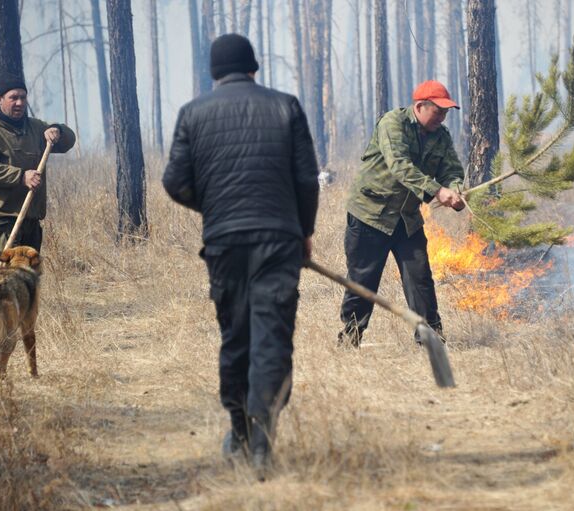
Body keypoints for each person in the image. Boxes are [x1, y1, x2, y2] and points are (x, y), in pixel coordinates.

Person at [162, 34, 319, 478]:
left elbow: (175, 182)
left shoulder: (192, 113)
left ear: (214, 73)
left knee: (236, 336)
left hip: (225, 243)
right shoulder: (286, 105)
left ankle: (239, 432)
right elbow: (307, 179)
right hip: (279, 240)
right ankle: (262, 441)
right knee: (271, 336)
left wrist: (215, 207)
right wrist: (303, 231)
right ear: (254, 66)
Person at [339, 80, 465, 347]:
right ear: (420, 106)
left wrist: (455, 189)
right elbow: (400, 166)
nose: (442, 117)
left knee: (420, 279)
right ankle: (350, 338)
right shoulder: (392, 124)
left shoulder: (441, 136)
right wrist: (437, 191)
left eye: (445, 112)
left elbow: (451, 169)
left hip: (406, 220)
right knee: (363, 281)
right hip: (370, 215)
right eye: (438, 111)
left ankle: (431, 340)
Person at [0, 75, 76, 261]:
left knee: (29, 278)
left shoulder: (35, 127)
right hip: (3, 219)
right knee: (12, 277)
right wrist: (20, 176)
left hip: (30, 217)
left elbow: (68, 141)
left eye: (23, 97)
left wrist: (57, 130)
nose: (19, 102)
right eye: (13, 97)